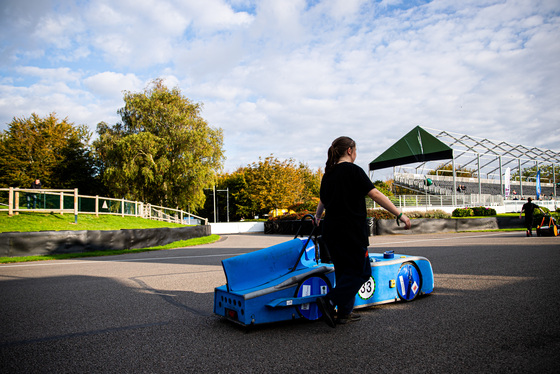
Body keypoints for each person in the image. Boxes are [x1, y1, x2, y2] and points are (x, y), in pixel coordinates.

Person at [314, 136, 411, 328]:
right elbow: (375, 194)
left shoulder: (328, 174)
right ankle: (329, 300)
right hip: (351, 231)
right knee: (361, 272)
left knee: (344, 272)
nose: (356, 153)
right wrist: (399, 214)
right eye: (355, 150)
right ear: (350, 150)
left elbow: (322, 201)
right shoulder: (354, 171)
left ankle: (343, 313)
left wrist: (317, 218)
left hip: (331, 231)